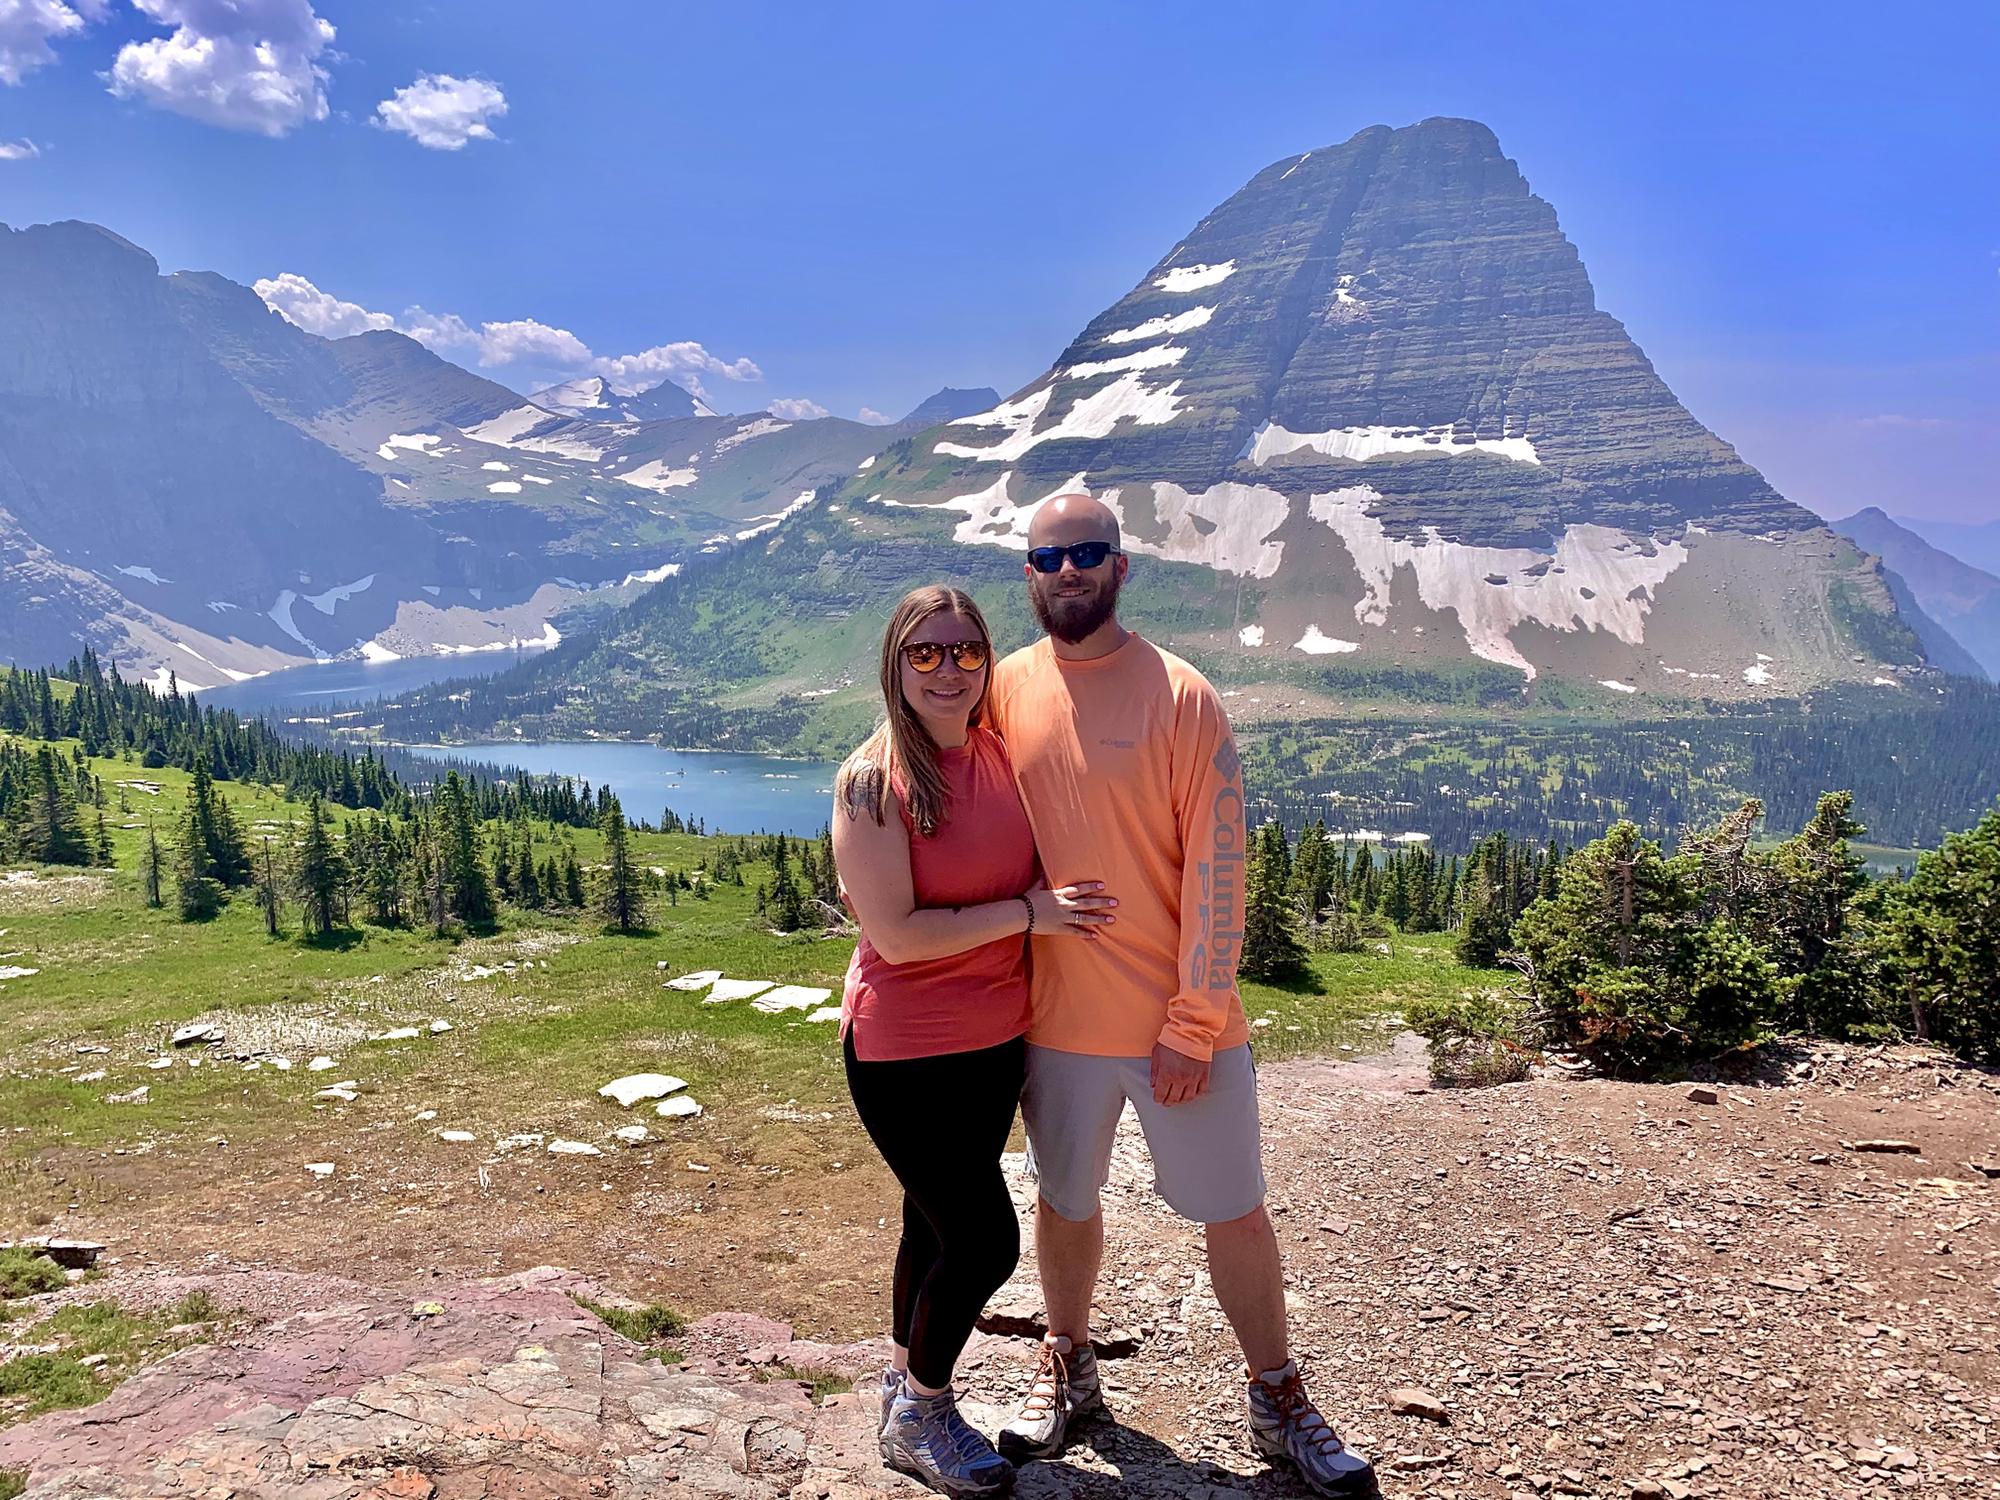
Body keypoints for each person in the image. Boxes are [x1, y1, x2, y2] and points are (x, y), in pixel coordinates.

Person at [985, 495, 1377, 1497]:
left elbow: (1218, 867)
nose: (1065, 570)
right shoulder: (999, 692)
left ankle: (1275, 1394)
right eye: (1046, 555)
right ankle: (1064, 1363)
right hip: (1054, 1024)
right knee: (1064, 1204)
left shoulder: (1179, 696)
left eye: (1085, 553)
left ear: (1120, 568)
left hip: (1180, 1026)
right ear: (1026, 572)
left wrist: (1194, 1020)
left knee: (1231, 1210)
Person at [831, 584, 1117, 1499]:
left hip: (995, 1042)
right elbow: (902, 936)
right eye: (925, 653)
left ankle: (900, 1374)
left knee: (933, 1220)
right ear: (896, 664)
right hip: (904, 1051)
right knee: (987, 1240)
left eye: (965, 651)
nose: (948, 669)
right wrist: (1029, 914)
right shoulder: (873, 782)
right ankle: (923, 1409)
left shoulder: (998, 754)